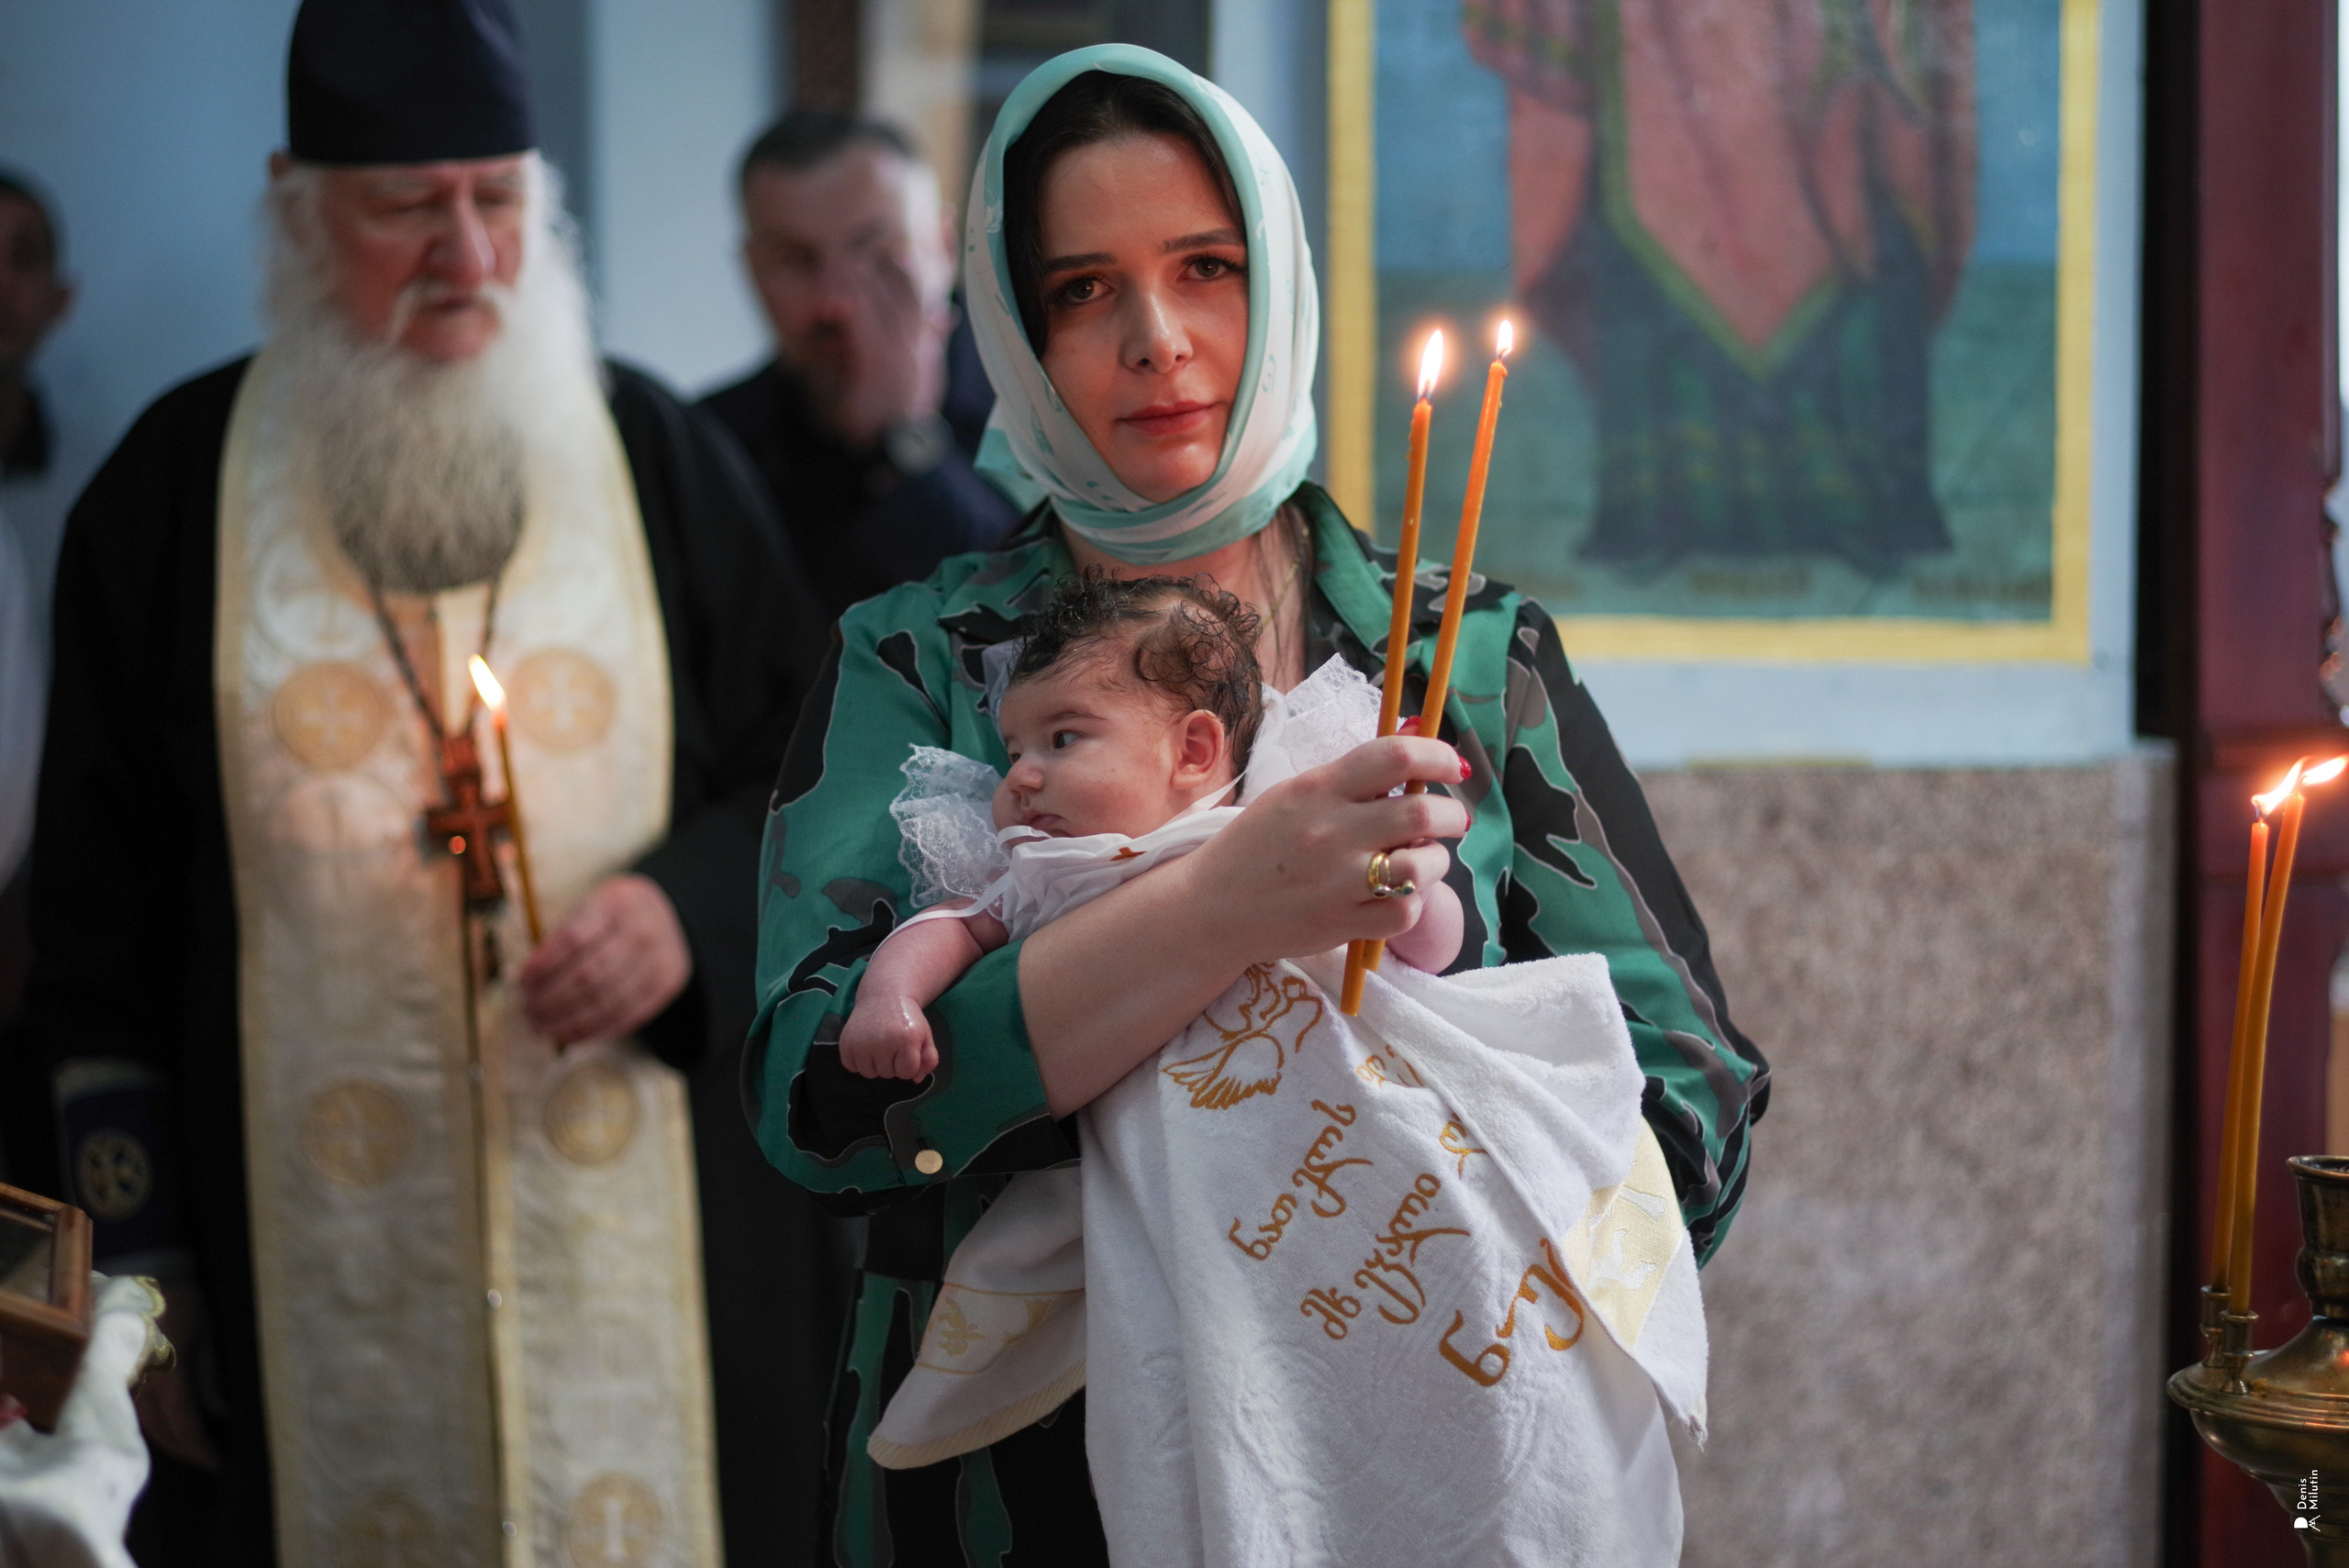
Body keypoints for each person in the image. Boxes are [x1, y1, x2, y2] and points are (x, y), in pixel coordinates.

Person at [748, 44, 1768, 1563]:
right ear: (1018, 329)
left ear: (1278, 280)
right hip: (1019, 1503)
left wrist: (1419, 1253)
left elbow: (1691, 1098)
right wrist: (1220, 909)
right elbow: (816, 1106)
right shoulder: (919, 658)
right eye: (1083, 290)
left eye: (1205, 269)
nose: (1157, 340)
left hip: (1440, 1453)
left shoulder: (1461, 654)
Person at [10, 1, 836, 1561]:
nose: (468, 254)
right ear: (296, 205)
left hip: (663, 1261)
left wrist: (687, 911)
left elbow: (815, 773)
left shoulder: (655, 456)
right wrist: (136, 1276)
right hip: (289, 1283)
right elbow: (93, 946)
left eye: (499, 198)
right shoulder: (169, 496)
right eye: (408, 207)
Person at [839, 573, 1463, 1084]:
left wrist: (1407, 885)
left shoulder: (1287, 826)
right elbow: (948, 927)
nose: (1020, 777)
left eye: (1063, 739)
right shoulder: (1052, 872)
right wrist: (888, 998)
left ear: (1193, 750)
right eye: (1014, 751)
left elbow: (1431, 958)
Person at [1464, 0, 1973, 574]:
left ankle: (1852, 502)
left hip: (1817, 61)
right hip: (1650, 49)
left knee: (1845, 211)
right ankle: (1667, 506)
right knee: (1655, 205)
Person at [700, 111, 1019, 620]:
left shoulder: (1046, 403)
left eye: (877, 254)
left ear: (942, 248)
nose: (837, 303)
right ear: (753, 273)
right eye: (795, 260)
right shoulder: (708, 447)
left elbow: (1034, 625)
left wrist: (905, 440)